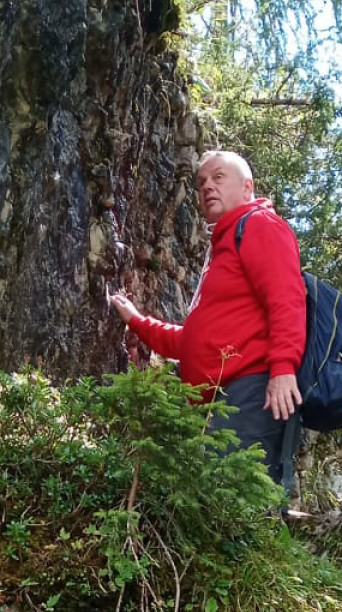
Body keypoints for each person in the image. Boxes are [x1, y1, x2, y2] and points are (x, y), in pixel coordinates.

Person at [109, 150, 306, 491]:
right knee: (214, 501)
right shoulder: (223, 249)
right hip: (223, 398)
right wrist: (137, 321)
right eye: (201, 182)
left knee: (231, 499)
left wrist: (284, 368)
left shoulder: (259, 224)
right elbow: (191, 342)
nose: (207, 187)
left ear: (247, 188)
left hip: (252, 390)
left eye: (218, 178)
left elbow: (286, 298)